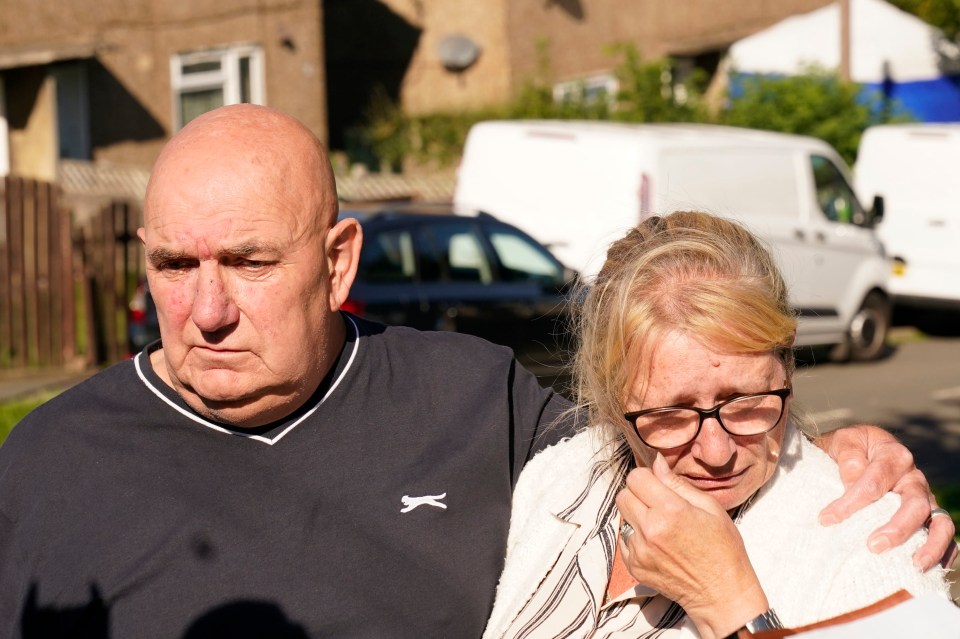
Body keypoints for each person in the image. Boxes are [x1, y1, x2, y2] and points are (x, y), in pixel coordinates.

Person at [0, 106, 952, 639]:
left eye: (249, 263)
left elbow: (692, 427)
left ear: (337, 263)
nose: (205, 310)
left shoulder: (477, 399)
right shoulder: (44, 462)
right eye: (173, 266)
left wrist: (835, 448)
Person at [483, 211, 952, 639]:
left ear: (787, 363)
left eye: (746, 402)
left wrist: (729, 605)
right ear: (610, 399)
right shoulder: (557, 480)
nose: (716, 451)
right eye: (669, 415)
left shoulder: (872, 544)